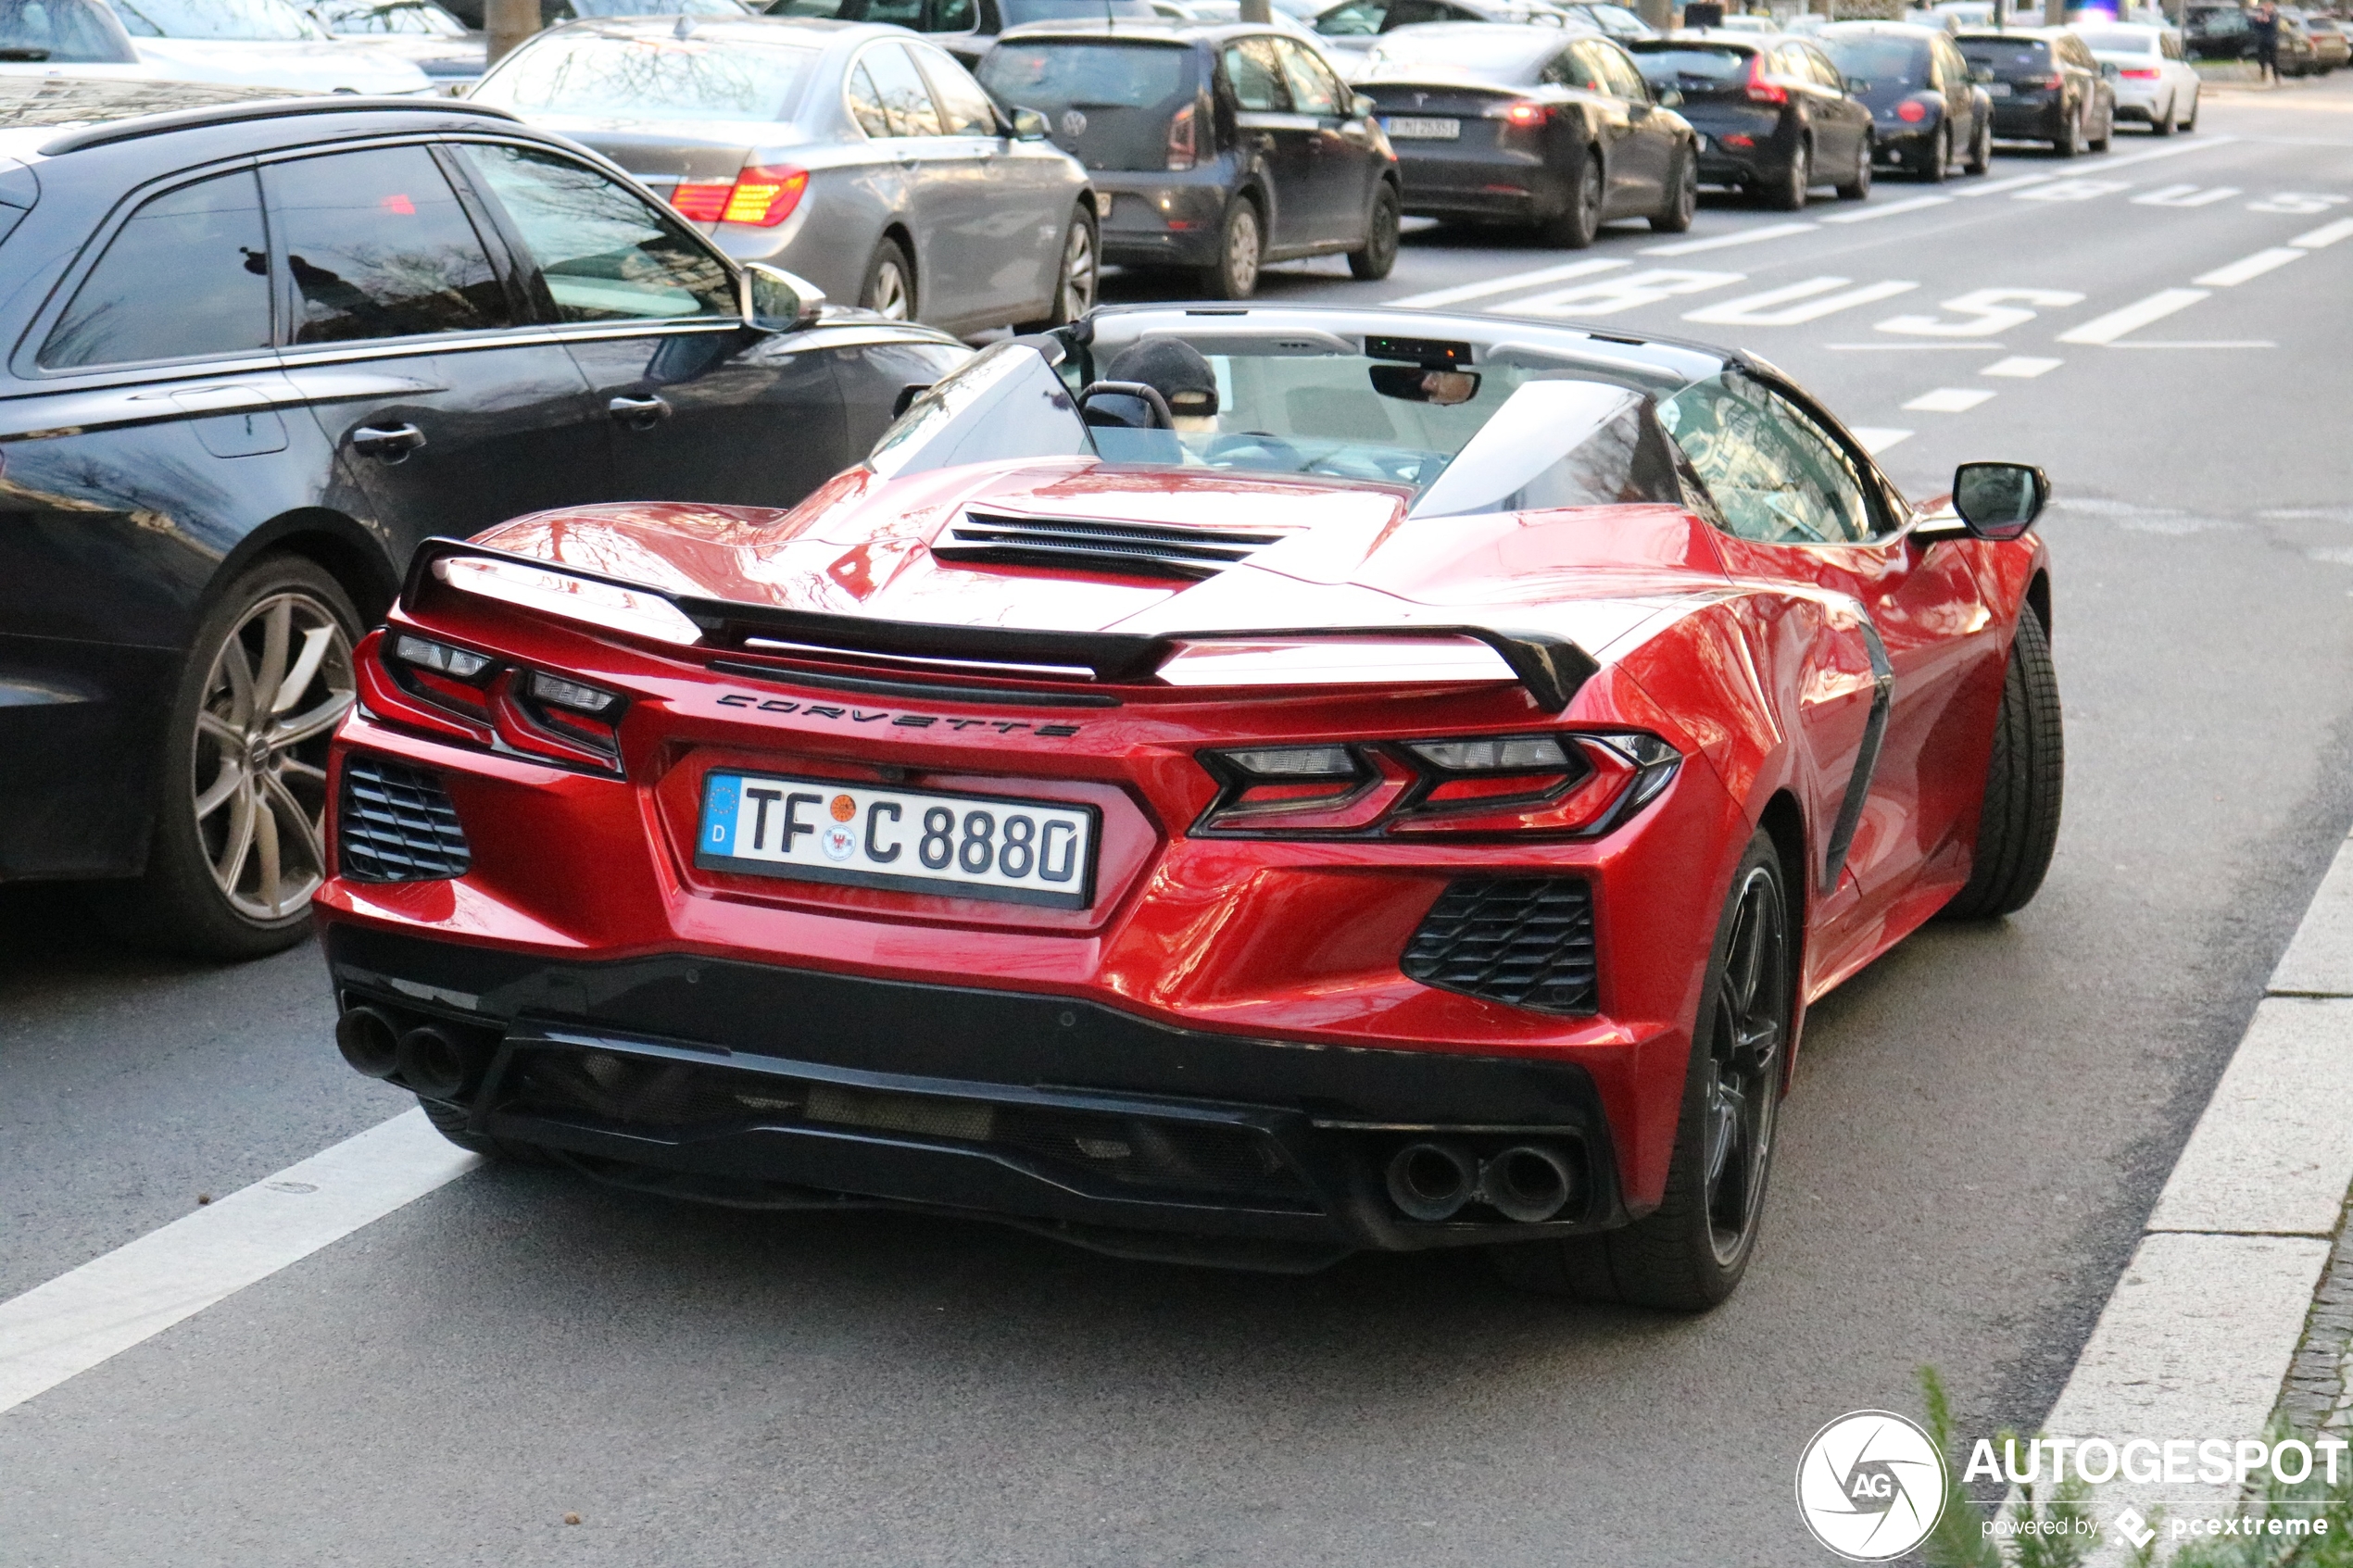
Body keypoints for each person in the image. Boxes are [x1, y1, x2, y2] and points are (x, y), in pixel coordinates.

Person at [2250, 0, 2281, 84]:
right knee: (2261, 58)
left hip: (2271, 41)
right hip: (2262, 40)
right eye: (2265, 6)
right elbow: (2255, 25)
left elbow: (2274, 25)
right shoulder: (2260, 15)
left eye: (2268, 6)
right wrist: (2258, 20)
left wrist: (2267, 20)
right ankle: (2263, 73)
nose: (2266, 8)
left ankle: (2276, 77)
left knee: (2273, 59)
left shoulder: (2274, 15)